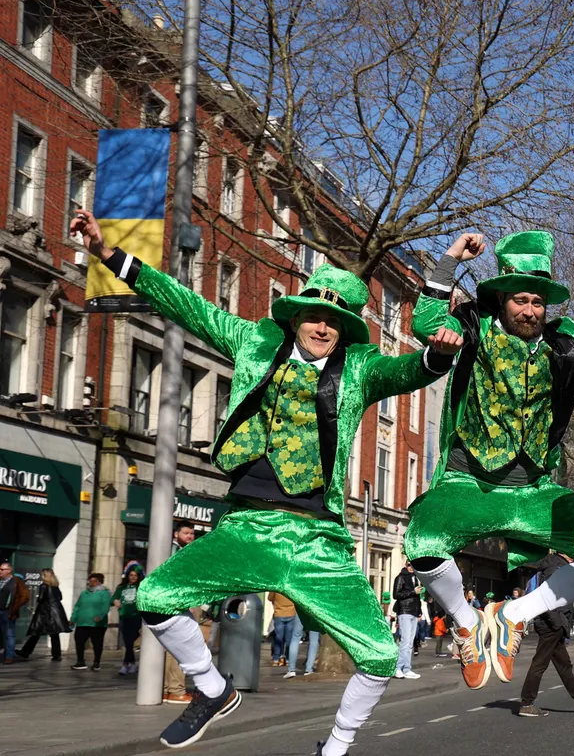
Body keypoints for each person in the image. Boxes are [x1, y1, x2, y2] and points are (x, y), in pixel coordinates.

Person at [69, 210, 460, 753]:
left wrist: (438, 355)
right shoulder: (253, 341)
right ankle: (211, 690)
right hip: (246, 527)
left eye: (338, 319)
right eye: (316, 315)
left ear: (346, 328)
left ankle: (336, 746)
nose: (324, 327)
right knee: (156, 596)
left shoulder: (362, 367)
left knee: (376, 653)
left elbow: (411, 371)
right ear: (299, 314)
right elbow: (185, 303)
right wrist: (108, 253)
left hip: (316, 538)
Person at [404, 229, 574, 691]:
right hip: (469, 484)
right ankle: (465, 623)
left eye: (538, 302)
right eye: (521, 300)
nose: (531, 311)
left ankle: (512, 616)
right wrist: (451, 258)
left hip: (535, 489)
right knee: (421, 539)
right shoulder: (471, 325)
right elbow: (425, 323)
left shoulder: (565, 342)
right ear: (501, 299)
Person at [516, 553, 574, 717]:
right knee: (540, 663)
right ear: (564, 554)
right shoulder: (554, 570)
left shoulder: (557, 567)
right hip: (551, 625)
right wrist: (558, 624)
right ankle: (526, 703)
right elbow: (549, 600)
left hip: (554, 624)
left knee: (564, 665)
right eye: (572, 553)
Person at [163, 525, 207, 705]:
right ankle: (176, 690)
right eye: (186, 533)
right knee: (181, 645)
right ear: (176, 534)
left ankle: (167, 689)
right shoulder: (176, 552)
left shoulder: (178, 550)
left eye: (192, 533)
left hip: (180, 602)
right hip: (183, 602)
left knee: (171, 647)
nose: (190, 536)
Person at [18, 568, 67, 661]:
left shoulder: (44, 586)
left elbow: (41, 598)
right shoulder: (55, 586)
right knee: (54, 634)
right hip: (56, 612)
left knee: (36, 632)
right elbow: (60, 597)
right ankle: (57, 655)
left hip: (45, 612)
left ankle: (25, 651)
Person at [70, 573, 112, 670]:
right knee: (79, 641)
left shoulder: (104, 593)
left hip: (97, 624)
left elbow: (105, 606)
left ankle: (96, 662)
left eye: (95, 581)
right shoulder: (84, 593)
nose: (92, 583)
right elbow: (77, 606)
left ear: (100, 582)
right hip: (82, 622)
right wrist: (73, 619)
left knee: (97, 643)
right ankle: (80, 662)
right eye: (90, 581)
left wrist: (100, 616)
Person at [112, 564, 144, 675]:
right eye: (131, 575)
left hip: (136, 617)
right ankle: (131, 663)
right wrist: (115, 601)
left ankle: (126, 664)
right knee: (128, 643)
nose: (133, 577)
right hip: (124, 616)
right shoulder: (122, 587)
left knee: (130, 642)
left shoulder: (140, 587)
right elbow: (113, 598)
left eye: (135, 575)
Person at [392, 564, 422, 679]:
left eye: (413, 565)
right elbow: (396, 594)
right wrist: (413, 592)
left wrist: (419, 612)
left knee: (410, 643)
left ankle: (407, 668)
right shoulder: (401, 577)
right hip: (404, 611)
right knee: (404, 641)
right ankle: (398, 668)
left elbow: (418, 597)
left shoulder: (416, 578)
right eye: (409, 565)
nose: (411, 567)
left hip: (413, 612)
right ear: (406, 565)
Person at [0, 561, 31, 663]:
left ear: (9, 570)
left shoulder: (16, 582)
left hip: (8, 612)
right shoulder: (1, 581)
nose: (0, 571)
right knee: (3, 634)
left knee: (9, 634)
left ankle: (9, 656)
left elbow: (25, 597)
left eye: (2, 569)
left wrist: (14, 607)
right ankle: (5, 654)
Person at [268, 592, 299, 668]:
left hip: (279, 614)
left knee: (279, 638)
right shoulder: (291, 586)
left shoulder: (276, 587)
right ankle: (288, 659)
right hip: (291, 613)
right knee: (289, 639)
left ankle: (276, 659)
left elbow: (270, 598)